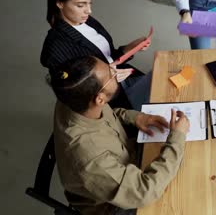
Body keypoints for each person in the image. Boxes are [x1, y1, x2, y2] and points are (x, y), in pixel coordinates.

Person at [48, 56, 190, 215]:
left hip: (125, 157)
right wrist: (177, 138)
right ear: (100, 99)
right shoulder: (90, 158)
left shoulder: (74, 96)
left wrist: (136, 117)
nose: (115, 72)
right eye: (110, 74)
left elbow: (108, 114)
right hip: (114, 206)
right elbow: (145, 192)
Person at [41, 0, 151, 110]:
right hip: (111, 99)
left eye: (89, 3)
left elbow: (107, 56)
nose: (89, 11)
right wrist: (109, 77)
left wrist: (130, 48)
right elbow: (73, 92)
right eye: (81, 5)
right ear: (60, 3)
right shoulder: (55, 49)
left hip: (124, 78)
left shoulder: (86, 20)